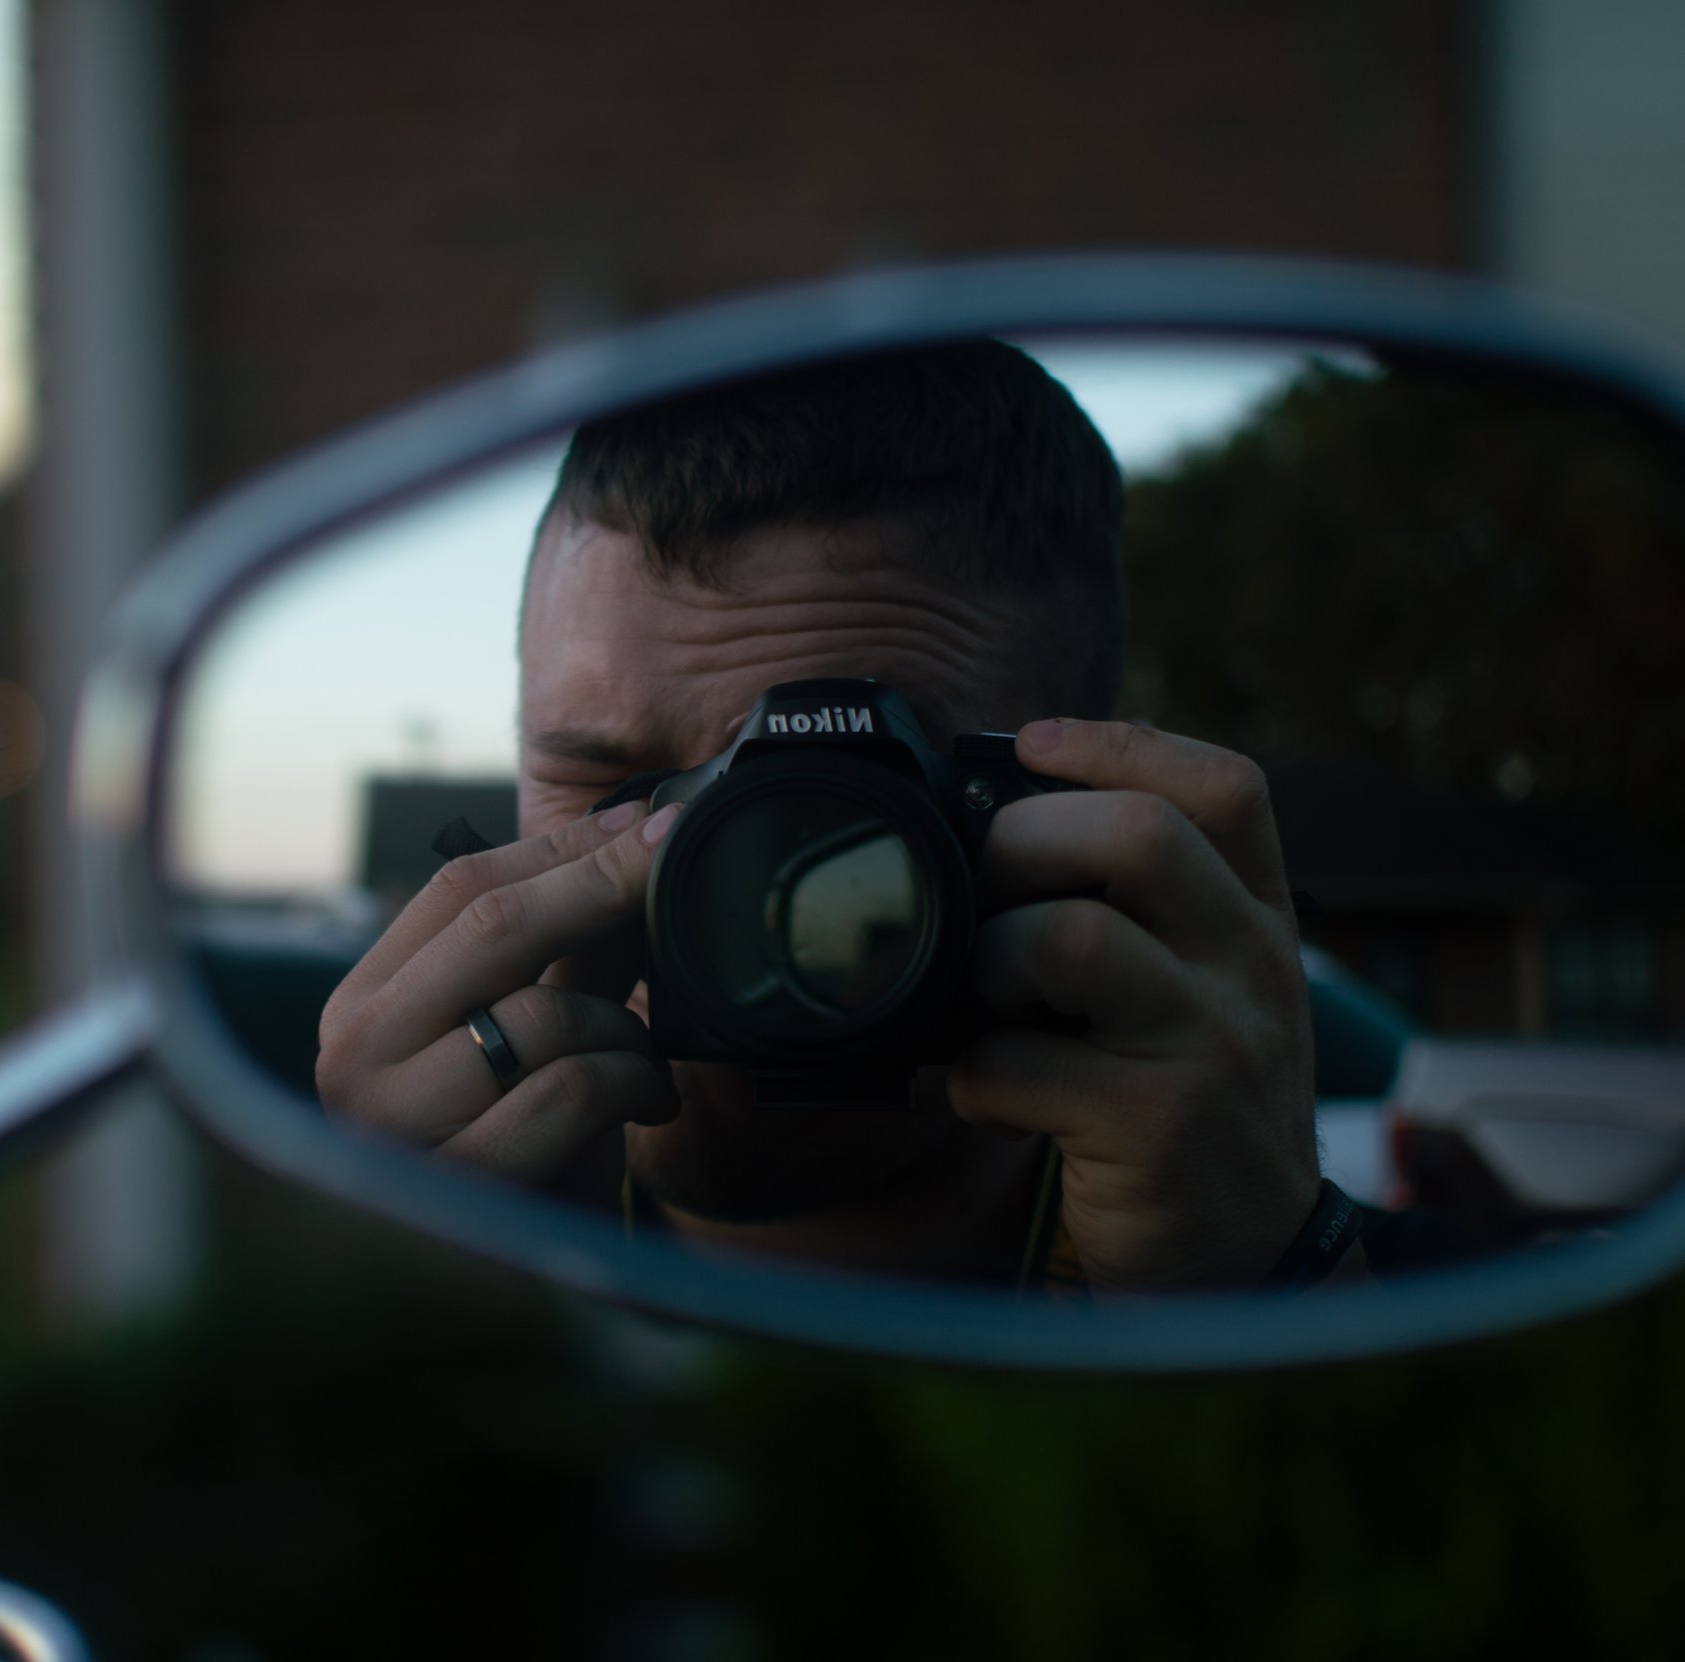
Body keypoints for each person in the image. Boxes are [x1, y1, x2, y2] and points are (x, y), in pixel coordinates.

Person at [314, 342, 1331, 1295]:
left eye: (838, 793)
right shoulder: (450, 1312)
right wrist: (428, 1340)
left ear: (1090, 801)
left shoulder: (1361, 1295)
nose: (727, 886)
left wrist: (1252, 1293)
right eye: (618, 795)